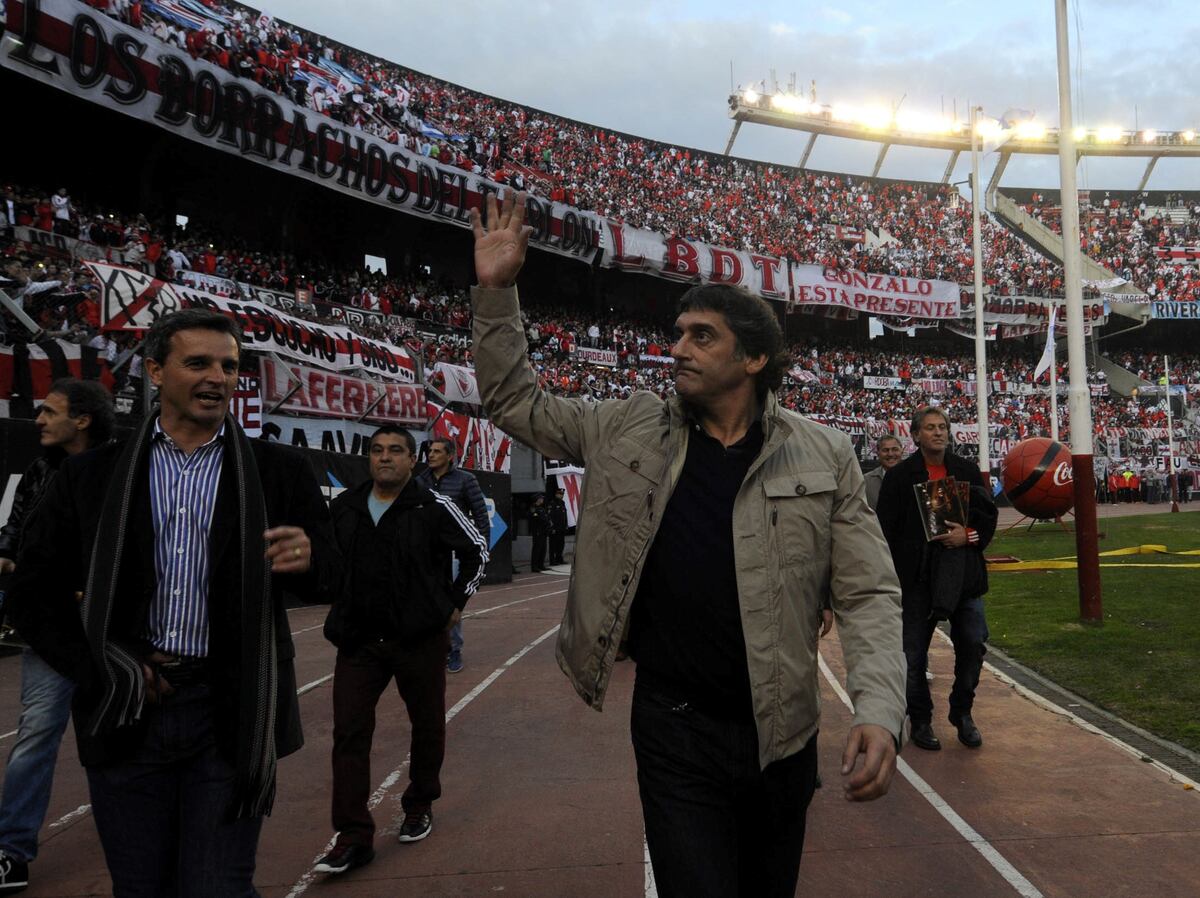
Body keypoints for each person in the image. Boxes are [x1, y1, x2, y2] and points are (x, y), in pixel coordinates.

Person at [469, 192, 905, 898]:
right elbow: (516, 404)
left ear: (755, 356)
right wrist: (496, 293)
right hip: (674, 727)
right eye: (679, 333)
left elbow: (870, 593)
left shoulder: (824, 454)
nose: (677, 349)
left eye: (702, 336)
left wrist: (880, 709)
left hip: (783, 733)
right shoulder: (626, 426)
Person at [7, 309, 337, 898]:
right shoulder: (91, 476)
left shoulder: (279, 471)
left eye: (230, 366)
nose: (219, 376)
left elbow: (331, 580)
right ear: (157, 371)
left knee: (218, 886)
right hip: (126, 708)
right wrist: (105, 671)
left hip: (229, 711)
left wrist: (313, 559)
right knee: (141, 888)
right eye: (200, 362)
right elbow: (34, 596)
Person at [315, 426, 488, 876]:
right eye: (377, 451)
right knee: (349, 733)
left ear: (413, 460)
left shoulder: (433, 505)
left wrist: (454, 605)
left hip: (419, 641)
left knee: (427, 725)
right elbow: (322, 562)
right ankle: (353, 836)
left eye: (395, 451)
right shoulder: (346, 507)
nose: (385, 458)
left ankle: (419, 803)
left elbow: (477, 550)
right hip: (359, 643)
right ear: (368, 459)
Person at [0, 379, 114, 896]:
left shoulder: (119, 471)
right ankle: (10, 849)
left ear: (83, 419)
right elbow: (17, 525)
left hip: (109, 630)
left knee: (118, 737)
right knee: (36, 734)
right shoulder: (41, 468)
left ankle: (138, 834)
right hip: (49, 631)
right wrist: (9, 554)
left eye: (50, 411)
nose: (39, 420)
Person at [875, 406, 997, 753]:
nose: (938, 433)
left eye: (942, 427)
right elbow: (884, 531)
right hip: (917, 582)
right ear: (915, 435)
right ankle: (922, 718)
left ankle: (962, 712)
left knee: (973, 643)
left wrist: (968, 536)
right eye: (930, 428)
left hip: (963, 578)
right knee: (912, 656)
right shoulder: (900, 477)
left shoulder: (967, 471)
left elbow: (986, 521)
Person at [416, 436, 490, 674]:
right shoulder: (420, 481)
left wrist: (481, 548)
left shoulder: (466, 480)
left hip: (457, 552)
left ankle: (453, 650)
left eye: (437, 451)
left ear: (450, 456)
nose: (431, 455)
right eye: (429, 451)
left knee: (451, 601)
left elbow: (480, 515)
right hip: (428, 553)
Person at [863, 435, 903, 510]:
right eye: (885, 450)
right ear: (877, 453)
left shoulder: (915, 477)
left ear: (902, 451)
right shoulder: (866, 481)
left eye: (895, 449)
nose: (890, 454)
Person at [528, 493, 550, 573]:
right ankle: (534, 566)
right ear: (537, 499)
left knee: (543, 549)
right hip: (537, 531)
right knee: (537, 549)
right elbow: (536, 519)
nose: (542, 500)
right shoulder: (533, 508)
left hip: (543, 531)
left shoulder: (541, 508)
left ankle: (541, 565)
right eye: (541, 498)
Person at [546, 487, 568, 565]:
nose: (561, 495)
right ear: (556, 494)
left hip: (561, 528)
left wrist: (565, 525)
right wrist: (552, 528)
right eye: (559, 494)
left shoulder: (562, 503)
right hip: (555, 528)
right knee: (553, 545)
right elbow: (550, 516)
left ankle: (559, 559)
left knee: (561, 544)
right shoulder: (552, 503)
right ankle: (552, 561)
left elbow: (564, 515)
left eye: (562, 494)